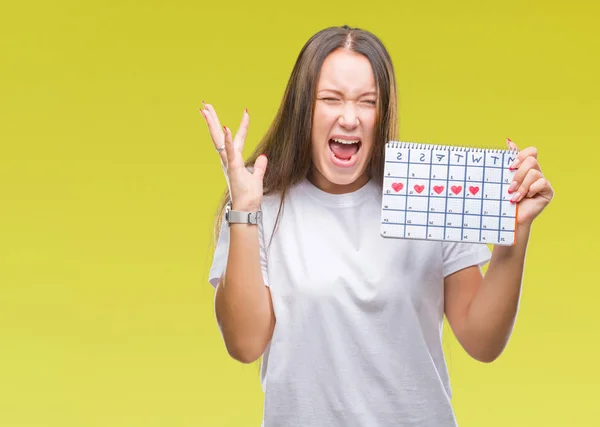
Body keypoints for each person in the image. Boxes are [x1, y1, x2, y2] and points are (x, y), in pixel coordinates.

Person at [199, 25, 553, 427]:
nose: (349, 118)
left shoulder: (429, 192)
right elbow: (244, 344)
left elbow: (482, 340)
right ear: (304, 109)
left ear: (381, 113)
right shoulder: (261, 203)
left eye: (367, 102)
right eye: (331, 99)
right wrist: (244, 210)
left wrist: (515, 231)